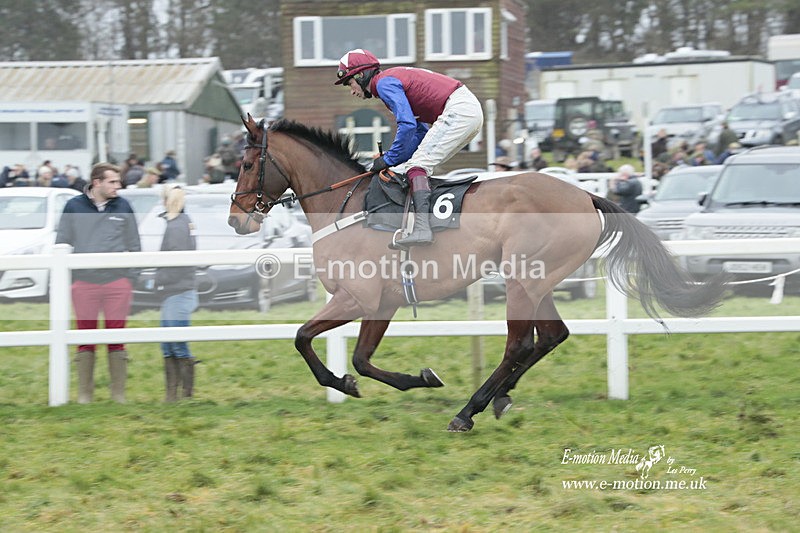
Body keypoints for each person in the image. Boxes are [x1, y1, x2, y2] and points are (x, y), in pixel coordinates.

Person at [335, 48, 483, 246]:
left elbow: (407, 125)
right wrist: (392, 159)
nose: (352, 91)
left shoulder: (384, 83)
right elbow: (419, 133)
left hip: (459, 110)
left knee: (418, 166)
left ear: (361, 75)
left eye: (350, 83)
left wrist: (388, 159)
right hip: (466, 110)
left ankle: (422, 228)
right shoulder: (389, 81)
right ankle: (421, 223)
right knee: (413, 166)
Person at [55, 162, 141, 403]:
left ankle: (118, 394)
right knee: (85, 336)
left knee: (117, 336)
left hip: (117, 283)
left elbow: (135, 244)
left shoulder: (124, 205)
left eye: (118, 181)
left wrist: (130, 278)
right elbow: (62, 242)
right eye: (113, 182)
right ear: (97, 183)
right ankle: (85, 395)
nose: (119, 186)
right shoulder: (73, 206)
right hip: (84, 283)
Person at [154, 185, 198, 402]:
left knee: (175, 343)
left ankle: (180, 394)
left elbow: (176, 263)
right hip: (178, 290)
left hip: (177, 290)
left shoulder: (176, 226)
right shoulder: (183, 223)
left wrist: (157, 279)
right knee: (169, 342)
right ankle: (175, 394)